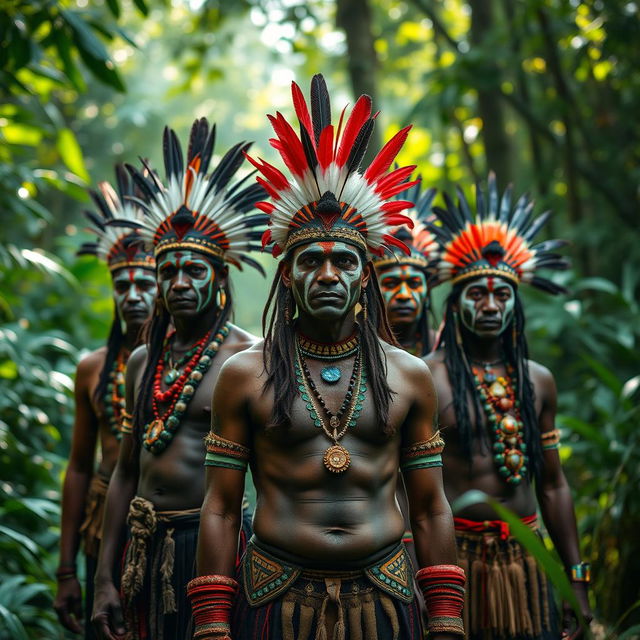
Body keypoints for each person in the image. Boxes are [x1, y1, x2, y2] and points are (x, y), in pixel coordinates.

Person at [189, 75, 466, 640]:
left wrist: (446, 617)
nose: (327, 274)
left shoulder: (409, 376)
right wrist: (212, 624)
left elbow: (432, 505)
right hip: (276, 597)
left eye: (344, 260)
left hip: (386, 599)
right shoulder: (244, 374)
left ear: (367, 274)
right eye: (310, 260)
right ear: (286, 274)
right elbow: (218, 508)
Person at [91, 118, 266, 640]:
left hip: (215, 545)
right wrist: (103, 576)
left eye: (194, 269)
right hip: (141, 542)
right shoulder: (144, 361)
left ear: (219, 276)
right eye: (168, 271)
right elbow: (125, 471)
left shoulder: (249, 359)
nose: (179, 282)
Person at [424, 173, 593, 639]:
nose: (491, 304)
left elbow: (554, 486)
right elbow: (407, 487)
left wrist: (576, 580)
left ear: (516, 305)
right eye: (477, 293)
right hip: (452, 561)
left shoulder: (538, 381)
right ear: (455, 305)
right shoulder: (426, 378)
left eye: (502, 294)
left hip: (528, 557)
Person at [54, 168, 157, 638]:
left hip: (176, 524)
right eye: (123, 287)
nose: (133, 296)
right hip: (102, 528)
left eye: (146, 283)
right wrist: (66, 570)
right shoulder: (93, 368)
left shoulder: (200, 363)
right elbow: (78, 467)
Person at [373, 177, 437, 357]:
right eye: (391, 283)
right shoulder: (354, 349)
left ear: (427, 290)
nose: (403, 295)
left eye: (414, 283)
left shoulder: (445, 350)